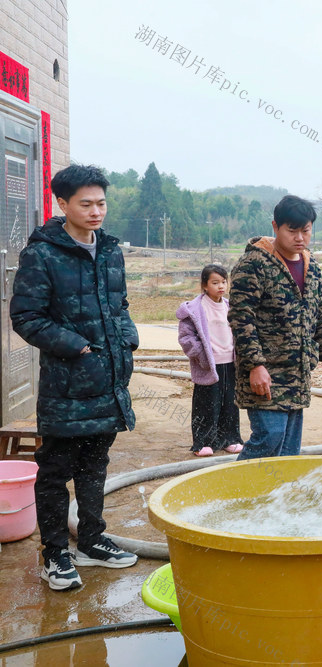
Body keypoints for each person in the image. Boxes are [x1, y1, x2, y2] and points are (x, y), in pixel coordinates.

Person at [10, 164, 139, 591]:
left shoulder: (111, 250)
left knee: (95, 465)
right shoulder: (42, 254)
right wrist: (77, 346)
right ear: (62, 204)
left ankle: (92, 540)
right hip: (66, 385)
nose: (96, 211)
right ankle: (55, 554)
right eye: (86, 204)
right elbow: (25, 316)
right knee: (55, 470)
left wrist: (128, 338)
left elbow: (119, 305)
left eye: (101, 202)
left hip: (109, 381)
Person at [228, 195, 322, 459]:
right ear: (275, 227)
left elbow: (319, 313)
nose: (299, 237)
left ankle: (278, 500)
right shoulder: (253, 264)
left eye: (305, 230)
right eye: (292, 230)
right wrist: (255, 365)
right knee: (269, 438)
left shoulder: (311, 266)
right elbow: (241, 318)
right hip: (265, 372)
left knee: (289, 450)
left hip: (297, 373)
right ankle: (235, 494)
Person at [176, 265, 244, 457]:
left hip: (230, 363)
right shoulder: (194, 309)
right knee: (206, 404)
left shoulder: (230, 307)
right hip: (208, 364)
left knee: (230, 403)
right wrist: (201, 355)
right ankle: (203, 442)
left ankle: (230, 439)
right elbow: (186, 337)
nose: (221, 286)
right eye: (215, 283)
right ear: (205, 285)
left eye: (223, 282)